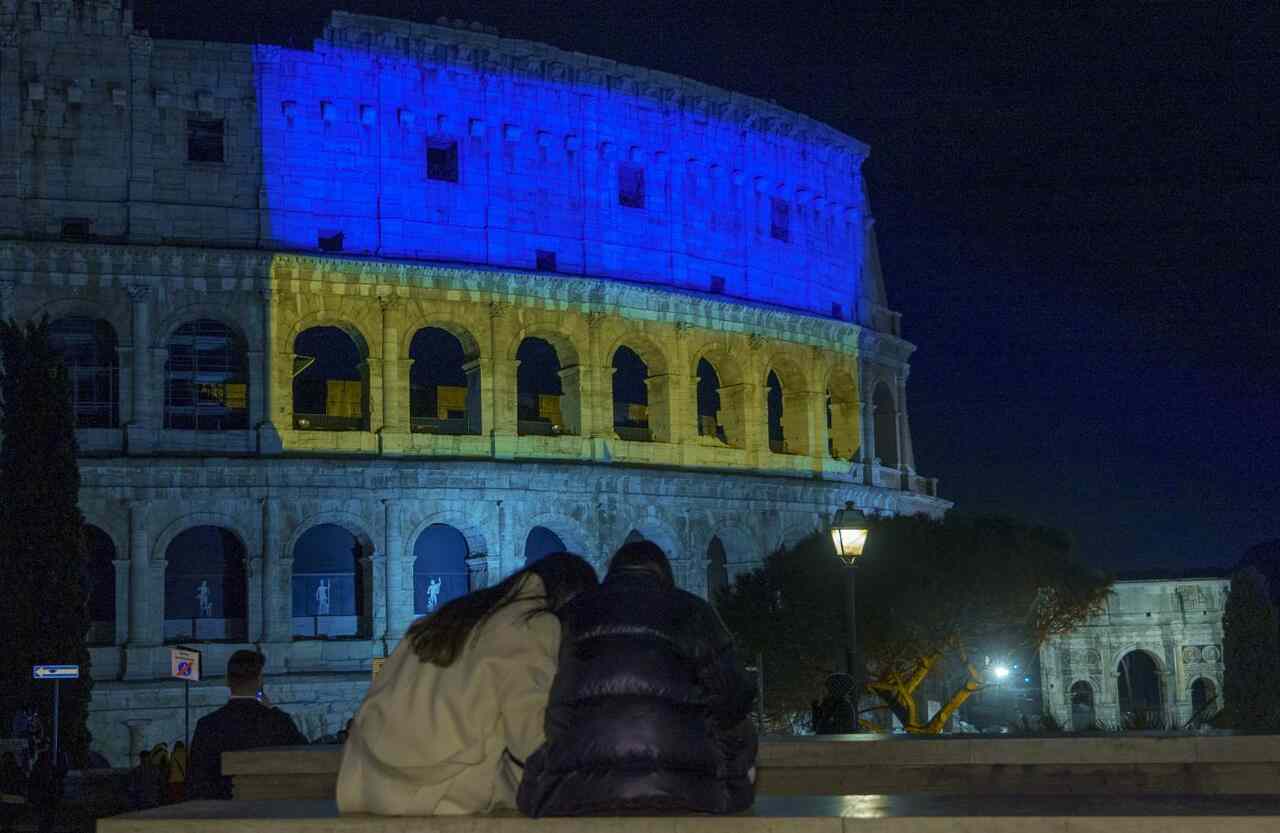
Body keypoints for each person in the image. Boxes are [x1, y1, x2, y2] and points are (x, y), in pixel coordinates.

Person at [337, 552, 598, 816]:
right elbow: (530, 737)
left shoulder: (451, 614)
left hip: (369, 783)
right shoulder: (531, 623)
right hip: (437, 793)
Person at [518, 541, 758, 817]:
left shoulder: (570, 614)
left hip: (575, 790)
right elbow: (735, 697)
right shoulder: (694, 610)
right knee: (742, 729)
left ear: (611, 572)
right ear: (665, 574)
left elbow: (550, 703)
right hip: (687, 790)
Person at [187, 651, 307, 800]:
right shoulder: (279, 722)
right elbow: (304, 757)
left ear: (227, 681)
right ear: (260, 681)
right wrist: (273, 710)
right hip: (269, 808)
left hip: (223, 811)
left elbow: (197, 781)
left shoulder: (208, 724)